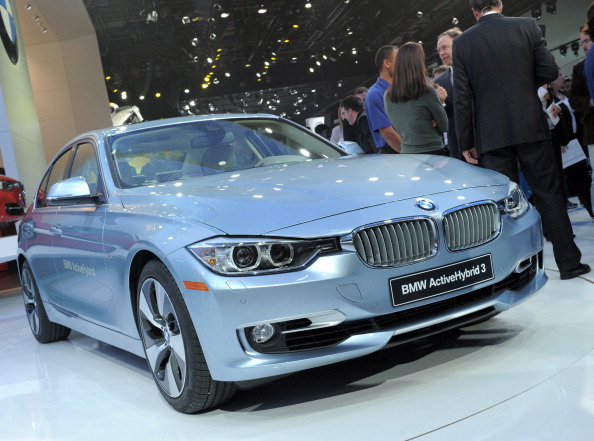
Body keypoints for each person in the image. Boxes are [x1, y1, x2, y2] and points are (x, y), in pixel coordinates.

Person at [453, 0, 590, 280]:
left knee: (503, 206)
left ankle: (512, 275)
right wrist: (525, 84)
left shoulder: (463, 42)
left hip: (491, 135)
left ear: (474, 11)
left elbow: (462, 96)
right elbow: (549, 71)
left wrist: (466, 141)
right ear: (500, 4)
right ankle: (569, 263)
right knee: (549, 194)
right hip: (530, 126)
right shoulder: (526, 26)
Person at [383, 42, 449, 155]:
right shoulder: (427, 91)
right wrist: (440, 103)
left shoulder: (388, 95)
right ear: (419, 63)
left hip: (407, 154)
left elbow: (399, 127)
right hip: (434, 151)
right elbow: (445, 126)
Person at [364, 45, 402, 153]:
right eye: (399, 59)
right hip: (394, 153)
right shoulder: (374, 94)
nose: (403, 64)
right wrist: (413, 154)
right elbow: (389, 134)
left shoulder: (401, 90)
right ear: (387, 63)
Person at [434, 27, 463, 160]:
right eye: (439, 50)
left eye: (445, 47)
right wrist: (441, 103)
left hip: (484, 142)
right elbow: (439, 120)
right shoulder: (439, 82)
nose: (441, 53)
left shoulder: (478, 71)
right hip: (457, 147)